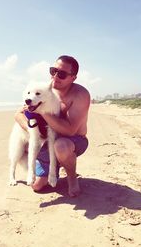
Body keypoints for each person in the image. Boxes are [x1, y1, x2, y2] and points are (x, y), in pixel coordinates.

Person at [15, 55, 91, 197]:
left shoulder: (80, 94)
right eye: (53, 71)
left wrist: (42, 112)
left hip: (74, 140)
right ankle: (52, 167)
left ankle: (72, 178)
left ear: (73, 78)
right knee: (36, 186)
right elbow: (18, 114)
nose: (55, 77)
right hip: (49, 140)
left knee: (61, 146)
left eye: (61, 74)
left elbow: (70, 130)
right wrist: (32, 130)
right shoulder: (46, 89)